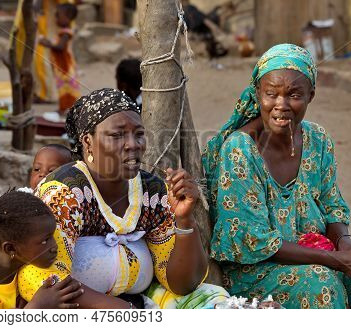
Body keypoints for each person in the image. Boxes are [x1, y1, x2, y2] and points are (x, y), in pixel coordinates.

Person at [202, 43, 351, 309]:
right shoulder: (240, 149)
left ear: (311, 95)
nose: (281, 105)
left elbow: (333, 208)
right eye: (271, 94)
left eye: (294, 95)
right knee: (321, 283)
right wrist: (337, 261)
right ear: (257, 93)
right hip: (256, 272)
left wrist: (345, 244)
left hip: (318, 256)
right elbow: (252, 240)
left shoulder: (318, 139)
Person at [17, 88, 229, 309]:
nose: (133, 144)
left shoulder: (153, 191)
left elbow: (183, 285)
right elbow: (42, 277)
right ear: (88, 142)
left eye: (138, 134)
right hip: (81, 307)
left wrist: (184, 221)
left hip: (139, 301)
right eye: (117, 135)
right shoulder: (65, 191)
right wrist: (122, 312)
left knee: (212, 299)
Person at [0, 190, 84, 309]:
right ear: (10, 249)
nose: (55, 246)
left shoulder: (27, 267)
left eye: (52, 236)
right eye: (45, 241)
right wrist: (36, 308)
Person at [39, 3, 80, 120]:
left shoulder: (66, 33)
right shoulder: (62, 31)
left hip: (65, 66)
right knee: (63, 88)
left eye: (58, 16)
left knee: (67, 88)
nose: (55, 18)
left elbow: (59, 47)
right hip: (61, 66)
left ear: (67, 18)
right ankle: (64, 108)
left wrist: (46, 43)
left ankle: (66, 109)